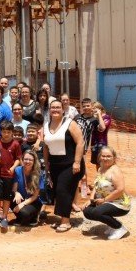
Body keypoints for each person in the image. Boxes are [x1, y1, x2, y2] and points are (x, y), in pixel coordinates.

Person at [43, 99, 85, 232]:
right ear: (49, 110)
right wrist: (47, 166)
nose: (55, 110)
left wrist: (77, 162)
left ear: (63, 110)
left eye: (57, 107)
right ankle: (62, 218)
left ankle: (66, 221)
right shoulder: (46, 125)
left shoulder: (70, 123)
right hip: (55, 165)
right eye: (52, 108)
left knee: (63, 190)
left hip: (71, 165)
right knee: (58, 191)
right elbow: (45, 147)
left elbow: (80, 142)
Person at [82, 146, 131, 240]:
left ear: (114, 157)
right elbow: (96, 186)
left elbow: (120, 190)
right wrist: (91, 200)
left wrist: (104, 200)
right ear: (100, 157)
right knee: (87, 211)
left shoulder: (115, 171)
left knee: (97, 212)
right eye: (103, 156)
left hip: (119, 203)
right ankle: (111, 224)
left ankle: (119, 228)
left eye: (109, 156)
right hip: (105, 201)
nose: (105, 158)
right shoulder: (101, 168)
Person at [11, 151, 43, 227]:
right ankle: (21, 217)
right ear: (22, 159)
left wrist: (22, 204)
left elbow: (35, 196)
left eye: (30, 160)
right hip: (21, 198)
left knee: (25, 213)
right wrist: (16, 193)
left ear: (34, 161)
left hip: (33, 201)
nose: (27, 161)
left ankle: (33, 216)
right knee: (9, 198)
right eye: (25, 159)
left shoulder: (39, 174)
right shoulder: (17, 170)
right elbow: (14, 188)